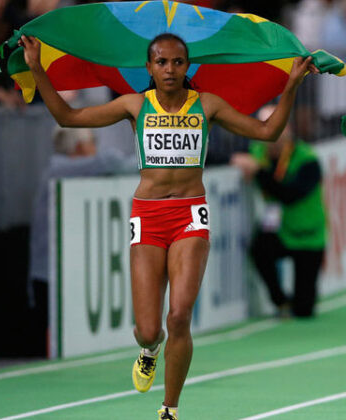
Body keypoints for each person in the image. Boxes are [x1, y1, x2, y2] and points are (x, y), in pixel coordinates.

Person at [20, 32, 317, 420]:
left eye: (178, 62)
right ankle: (149, 348)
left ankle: (169, 408)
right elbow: (68, 117)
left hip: (190, 215)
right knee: (148, 328)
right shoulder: (134, 105)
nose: (170, 69)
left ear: (187, 66)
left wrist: (291, 86)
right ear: (149, 67)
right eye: (161, 62)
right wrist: (37, 69)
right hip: (147, 216)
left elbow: (266, 132)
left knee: (178, 316)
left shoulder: (206, 105)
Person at [27, 126, 137, 355]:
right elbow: (109, 162)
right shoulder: (60, 169)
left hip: (59, 272)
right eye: (92, 141)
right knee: (51, 343)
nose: (96, 147)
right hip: (48, 275)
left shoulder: (65, 169)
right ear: (79, 147)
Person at [230, 105, 326, 318]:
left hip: (308, 235)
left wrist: (259, 172)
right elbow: (222, 155)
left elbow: (289, 195)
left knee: (304, 310)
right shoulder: (257, 151)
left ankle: (297, 302)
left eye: (275, 127)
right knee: (260, 249)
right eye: (263, 127)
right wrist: (234, 160)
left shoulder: (307, 159)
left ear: (287, 129)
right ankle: (279, 299)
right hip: (280, 230)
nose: (270, 134)